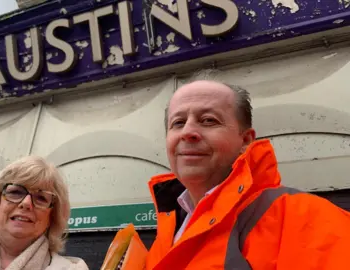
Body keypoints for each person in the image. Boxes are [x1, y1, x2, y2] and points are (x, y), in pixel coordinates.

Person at [146, 79, 350, 269]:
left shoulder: (311, 221)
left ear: (246, 141)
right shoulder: (168, 231)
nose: (187, 132)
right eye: (178, 123)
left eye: (208, 120)